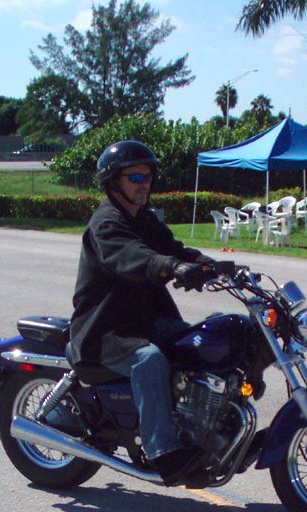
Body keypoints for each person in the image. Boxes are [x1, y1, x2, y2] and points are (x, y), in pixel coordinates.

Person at [68, 140, 215, 486]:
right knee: (149, 361)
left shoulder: (144, 219)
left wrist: (213, 266)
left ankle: (203, 430)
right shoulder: (106, 223)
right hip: (106, 329)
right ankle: (163, 452)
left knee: (201, 343)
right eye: (134, 177)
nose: (143, 183)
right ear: (113, 181)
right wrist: (172, 267)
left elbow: (174, 250)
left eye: (147, 176)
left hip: (145, 321)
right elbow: (133, 257)